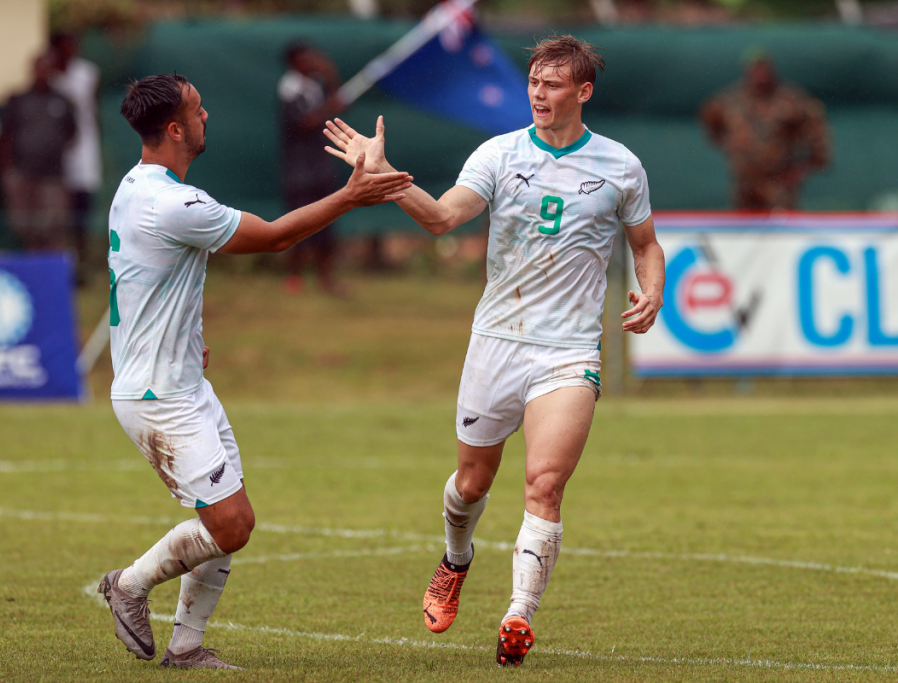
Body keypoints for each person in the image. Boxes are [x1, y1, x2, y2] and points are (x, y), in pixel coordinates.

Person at [324, 35, 665, 666]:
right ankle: (456, 559)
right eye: (533, 81)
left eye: (553, 84)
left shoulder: (621, 165)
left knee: (545, 484)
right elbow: (440, 217)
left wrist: (653, 291)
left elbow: (645, 244)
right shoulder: (499, 153)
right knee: (472, 482)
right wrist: (383, 175)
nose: (539, 93)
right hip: (497, 343)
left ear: (583, 92)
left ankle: (517, 616)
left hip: (569, 351)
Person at [98, 73, 411, 670]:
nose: (207, 116)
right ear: (174, 129)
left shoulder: (138, 186)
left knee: (226, 515)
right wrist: (350, 196)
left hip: (179, 381)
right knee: (232, 523)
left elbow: (152, 279)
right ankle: (128, 586)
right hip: (158, 394)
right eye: (197, 109)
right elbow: (270, 239)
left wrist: (186, 340)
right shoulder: (173, 203)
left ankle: (186, 648)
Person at [699, 50, 831, 211]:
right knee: (742, 223)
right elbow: (709, 116)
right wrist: (725, 141)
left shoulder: (790, 98)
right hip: (744, 182)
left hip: (778, 182)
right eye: (756, 69)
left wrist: (806, 165)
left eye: (764, 69)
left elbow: (816, 128)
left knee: (781, 222)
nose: (760, 74)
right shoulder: (731, 99)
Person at [278, 42, 346, 295]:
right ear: (293, 63)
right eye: (304, 58)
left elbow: (340, 102)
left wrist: (330, 76)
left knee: (327, 222)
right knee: (298, 222)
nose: (310, 62)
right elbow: (305, 122)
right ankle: (293, 277)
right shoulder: (288, 90)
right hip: (298, 169)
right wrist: (330, 106)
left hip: (320, 165)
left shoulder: (316, 85)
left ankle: (326, 278)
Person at [0, 53, 76, 250]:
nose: (43, 73)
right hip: (23, 174)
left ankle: (50, 267)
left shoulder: (62, 100)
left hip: (53, 175)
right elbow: (5, 136)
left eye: (47, 69)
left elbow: (71, 133)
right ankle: (31, 265)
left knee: (52, 227)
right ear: (32, 70)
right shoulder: (18, 100)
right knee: (27, 229)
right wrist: (8, 171)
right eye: (39, 68)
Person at [50, 33, 102, 277]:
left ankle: (82, 261)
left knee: (82, 208)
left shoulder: (87, 74)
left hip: (84, 150)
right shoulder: (49, 76)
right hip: (56, 154)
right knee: (60, 213)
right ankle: (62, 264)